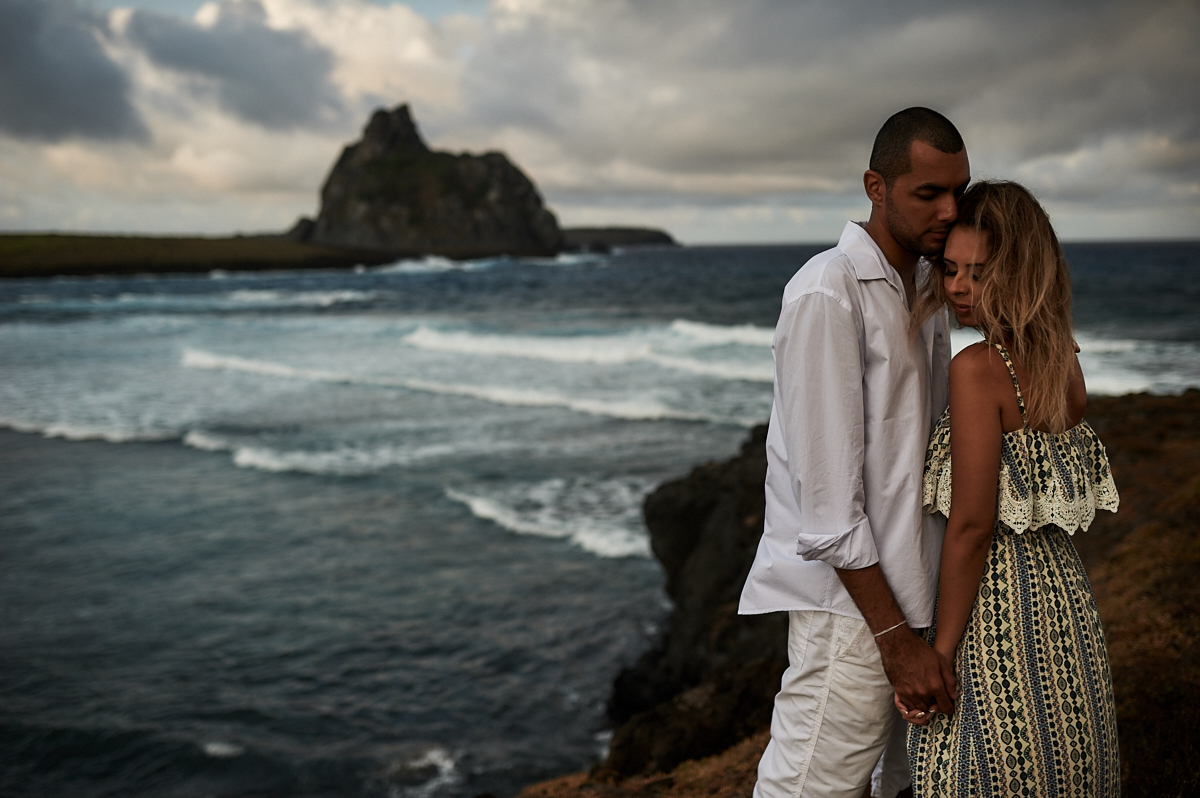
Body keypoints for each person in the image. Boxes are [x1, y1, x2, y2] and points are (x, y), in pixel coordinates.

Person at [738, 107, 969, 798]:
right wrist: (896, 640)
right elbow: (830, 507)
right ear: (876, 185)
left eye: (957, 190)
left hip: (915, 600)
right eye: (927, 193)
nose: (948, 209)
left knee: (900, 786)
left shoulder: (927, 285)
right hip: (856, 617)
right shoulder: (826, 290)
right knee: (809, 787)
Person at [902, 180, 1121, 797]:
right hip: (1064, 602)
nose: (956, 288)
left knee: (977, 772)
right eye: (948, 270)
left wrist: (940, 652)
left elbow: (972, 526)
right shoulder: (1064, 363)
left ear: (1019, 270)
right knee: (1061, 766)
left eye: (977, 272)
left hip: (997, 611)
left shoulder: (976, 371)